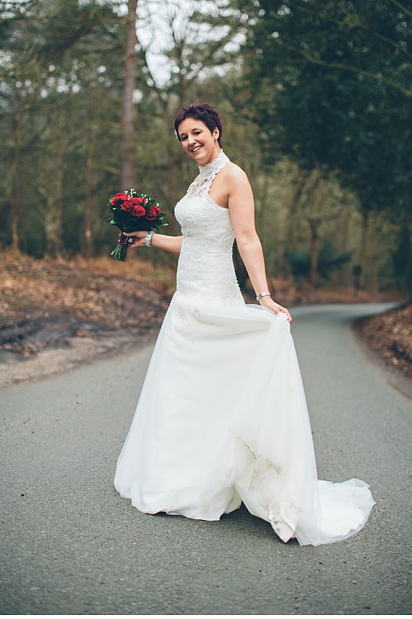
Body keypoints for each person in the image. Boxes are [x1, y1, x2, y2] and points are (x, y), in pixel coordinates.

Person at [113, 103, 373, 545]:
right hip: (185, 304)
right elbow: (195, 242)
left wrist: (265, 296)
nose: (190, 141)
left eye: (196, 132)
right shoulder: (198, 182)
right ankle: (183, 477)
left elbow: (247, 239)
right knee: (182, 393)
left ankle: (224, 482)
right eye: (183, 137)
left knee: (219, 391)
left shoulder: (233, 176)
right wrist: (150, 238)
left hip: (216, 299)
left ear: (215, 131)